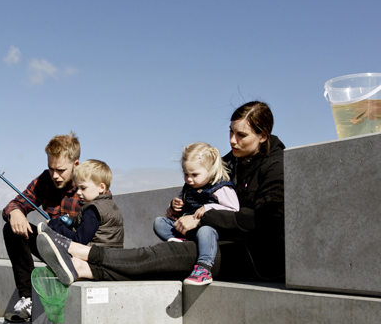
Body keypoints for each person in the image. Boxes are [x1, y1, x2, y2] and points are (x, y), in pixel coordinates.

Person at [36, 101, 285, 286]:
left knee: (163, 255)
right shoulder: (229, 162)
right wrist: (179, 208)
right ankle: (82, 269)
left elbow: (263, 220)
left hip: (251, 255)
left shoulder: (276, 166)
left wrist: (201, 218)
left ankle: (78, 251)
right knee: (160, 261)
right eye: (230, 132)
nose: (232, 140)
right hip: (218, 240)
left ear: (263, 135)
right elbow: (196, 190)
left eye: (241, 135)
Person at [2, 131, 82, 322]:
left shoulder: (88, 184)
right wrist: (16, 212)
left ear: (76, 164)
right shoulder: (45, 180)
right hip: (51, 246)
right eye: (51, 168)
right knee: (11, 229)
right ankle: (27, 298)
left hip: (78, 251)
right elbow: (16, 203)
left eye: (61, 170)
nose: (55, 175)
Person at [152, 142, 239, 285]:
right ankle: (181, 241)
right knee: (159, 222)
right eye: (186, 174)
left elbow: (234, 209)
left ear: (210, 170)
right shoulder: (189, 187)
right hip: (187, 229)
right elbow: (181, 203)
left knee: (206, 230)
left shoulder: (221, 187)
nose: (189, 179)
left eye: (194, 174)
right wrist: (174, 206)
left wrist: (208, 208)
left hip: (209, 229)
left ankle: (204, 268)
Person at [39, 159, 124, 248]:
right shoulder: (111, 205)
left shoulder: (92, 210)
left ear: (101, 187)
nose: (78, 192)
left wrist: (56, 225)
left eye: (83, 188)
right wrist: (72, 225)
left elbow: (79, 240)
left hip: (95, 258)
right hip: (113, 256)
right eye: (77, 188)